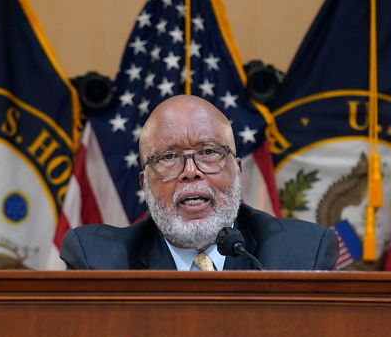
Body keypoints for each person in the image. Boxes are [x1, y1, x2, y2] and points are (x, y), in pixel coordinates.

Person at [60, 95, 338, 270]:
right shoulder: (101, 263)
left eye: (208, 152)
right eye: (169, 157)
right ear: (145, 184)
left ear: (237, 170)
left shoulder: (301, 254)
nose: (190, 172)